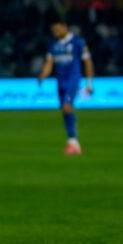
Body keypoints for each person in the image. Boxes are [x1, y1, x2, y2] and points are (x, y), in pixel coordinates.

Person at [37, 18, 94, 155]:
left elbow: (87, 61)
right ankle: (72, 140)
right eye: (53, 30)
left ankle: (73, 143)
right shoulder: (53, 45)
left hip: (73, 80)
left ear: (64, 27)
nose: (55, 32)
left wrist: (89, 82)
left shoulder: (78, 42)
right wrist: (43, 75)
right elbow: (49, 62)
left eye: (57, 29)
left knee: (67, 106)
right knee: (64, 109)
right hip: (60, 81)